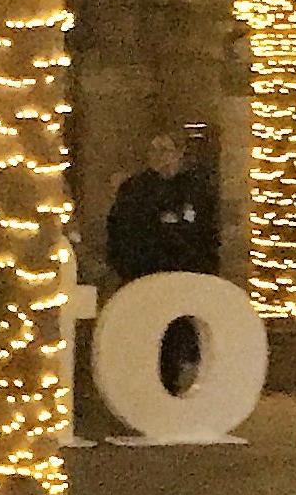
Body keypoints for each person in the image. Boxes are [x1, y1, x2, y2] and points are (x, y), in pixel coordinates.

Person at [97, 121, 226, 404]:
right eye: (154, 150)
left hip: (185, 273)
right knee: (146, 334)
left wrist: (205, 267)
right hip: (145, 272)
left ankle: (174, 385)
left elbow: (208, 232)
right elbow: (120, 230)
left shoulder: (196, 189)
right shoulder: (135, 189)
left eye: (166, 150)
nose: (160, 156)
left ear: (179, 154)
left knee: (179, 335)